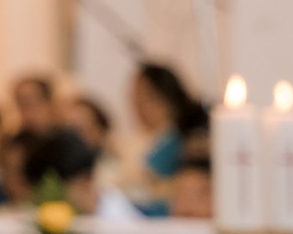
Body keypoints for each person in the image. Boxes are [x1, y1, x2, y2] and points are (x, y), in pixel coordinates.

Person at [127, 62, 207, 218]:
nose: (136, 105)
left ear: (164, 98)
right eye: (134, 98)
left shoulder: (180, 139)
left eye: (143, 98)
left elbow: (152, 180)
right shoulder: (143, 138)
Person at [19, 130, 141, 221]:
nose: (47, 202)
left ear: (86, 181)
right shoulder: (43, 220)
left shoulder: (121, 221)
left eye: (53, 192)